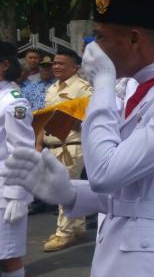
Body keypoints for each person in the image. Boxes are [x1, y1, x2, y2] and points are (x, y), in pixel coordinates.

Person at [2, 0, 154, 277]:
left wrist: (102, 84)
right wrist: (71, 193)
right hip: (116, 247)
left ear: (133, 39)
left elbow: (105, 173)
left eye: (101, 37)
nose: (92, 50)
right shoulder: (133, 88)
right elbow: (128, 191)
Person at [37, 48, 92, 252]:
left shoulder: (83, 87)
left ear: (75, 67)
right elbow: (44, 118)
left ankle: (64, 233)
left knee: (64, 190)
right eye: (54, 63)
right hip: (52, 145)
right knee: (70, 189)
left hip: (71, 146)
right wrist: (39, 143)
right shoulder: (52, 88)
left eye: (61, 63)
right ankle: (77, 227)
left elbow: (90, 116)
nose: (56, 66)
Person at [0, 42, 34, 277]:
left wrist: (17, 196)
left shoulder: (13, 102)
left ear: (4, 65)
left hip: (4, 193)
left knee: (8, 256)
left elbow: (22, 150)